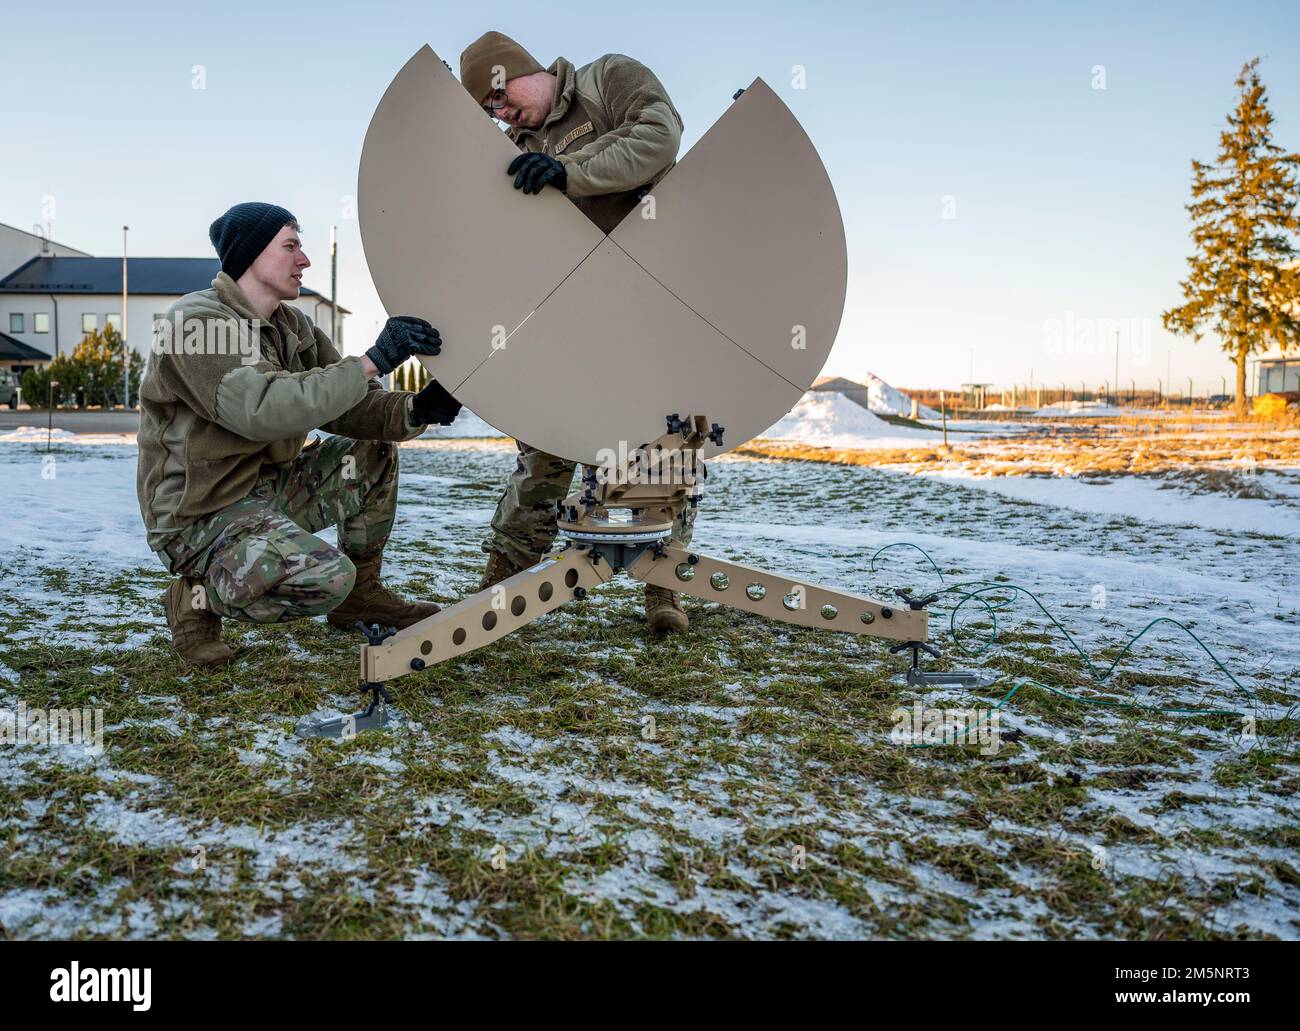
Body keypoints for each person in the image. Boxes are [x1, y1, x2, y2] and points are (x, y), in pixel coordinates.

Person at [136, 201, 462, 667]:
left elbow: (348, 401)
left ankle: (362, 598)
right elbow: (260, 408)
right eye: (290, 246)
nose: (304, 260)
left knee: (371, 455)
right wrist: (374, 359)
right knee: (326, 579)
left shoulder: (293, 327)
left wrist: (415, 408)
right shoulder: (196, 324)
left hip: (267, 491)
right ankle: (196, 597)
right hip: (200, 514)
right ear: (251, 256)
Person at [459, 30, 694, 631]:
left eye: (499, 98)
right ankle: (503, 581)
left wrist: (566, 171)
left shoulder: (608, 78)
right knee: (545, 447)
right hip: (565, 311)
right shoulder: (511, 150)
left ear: (516, 70)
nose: (500, 114)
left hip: (648, 297)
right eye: (490, 113)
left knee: (659, 447)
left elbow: (657, 137)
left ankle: (663, 590)